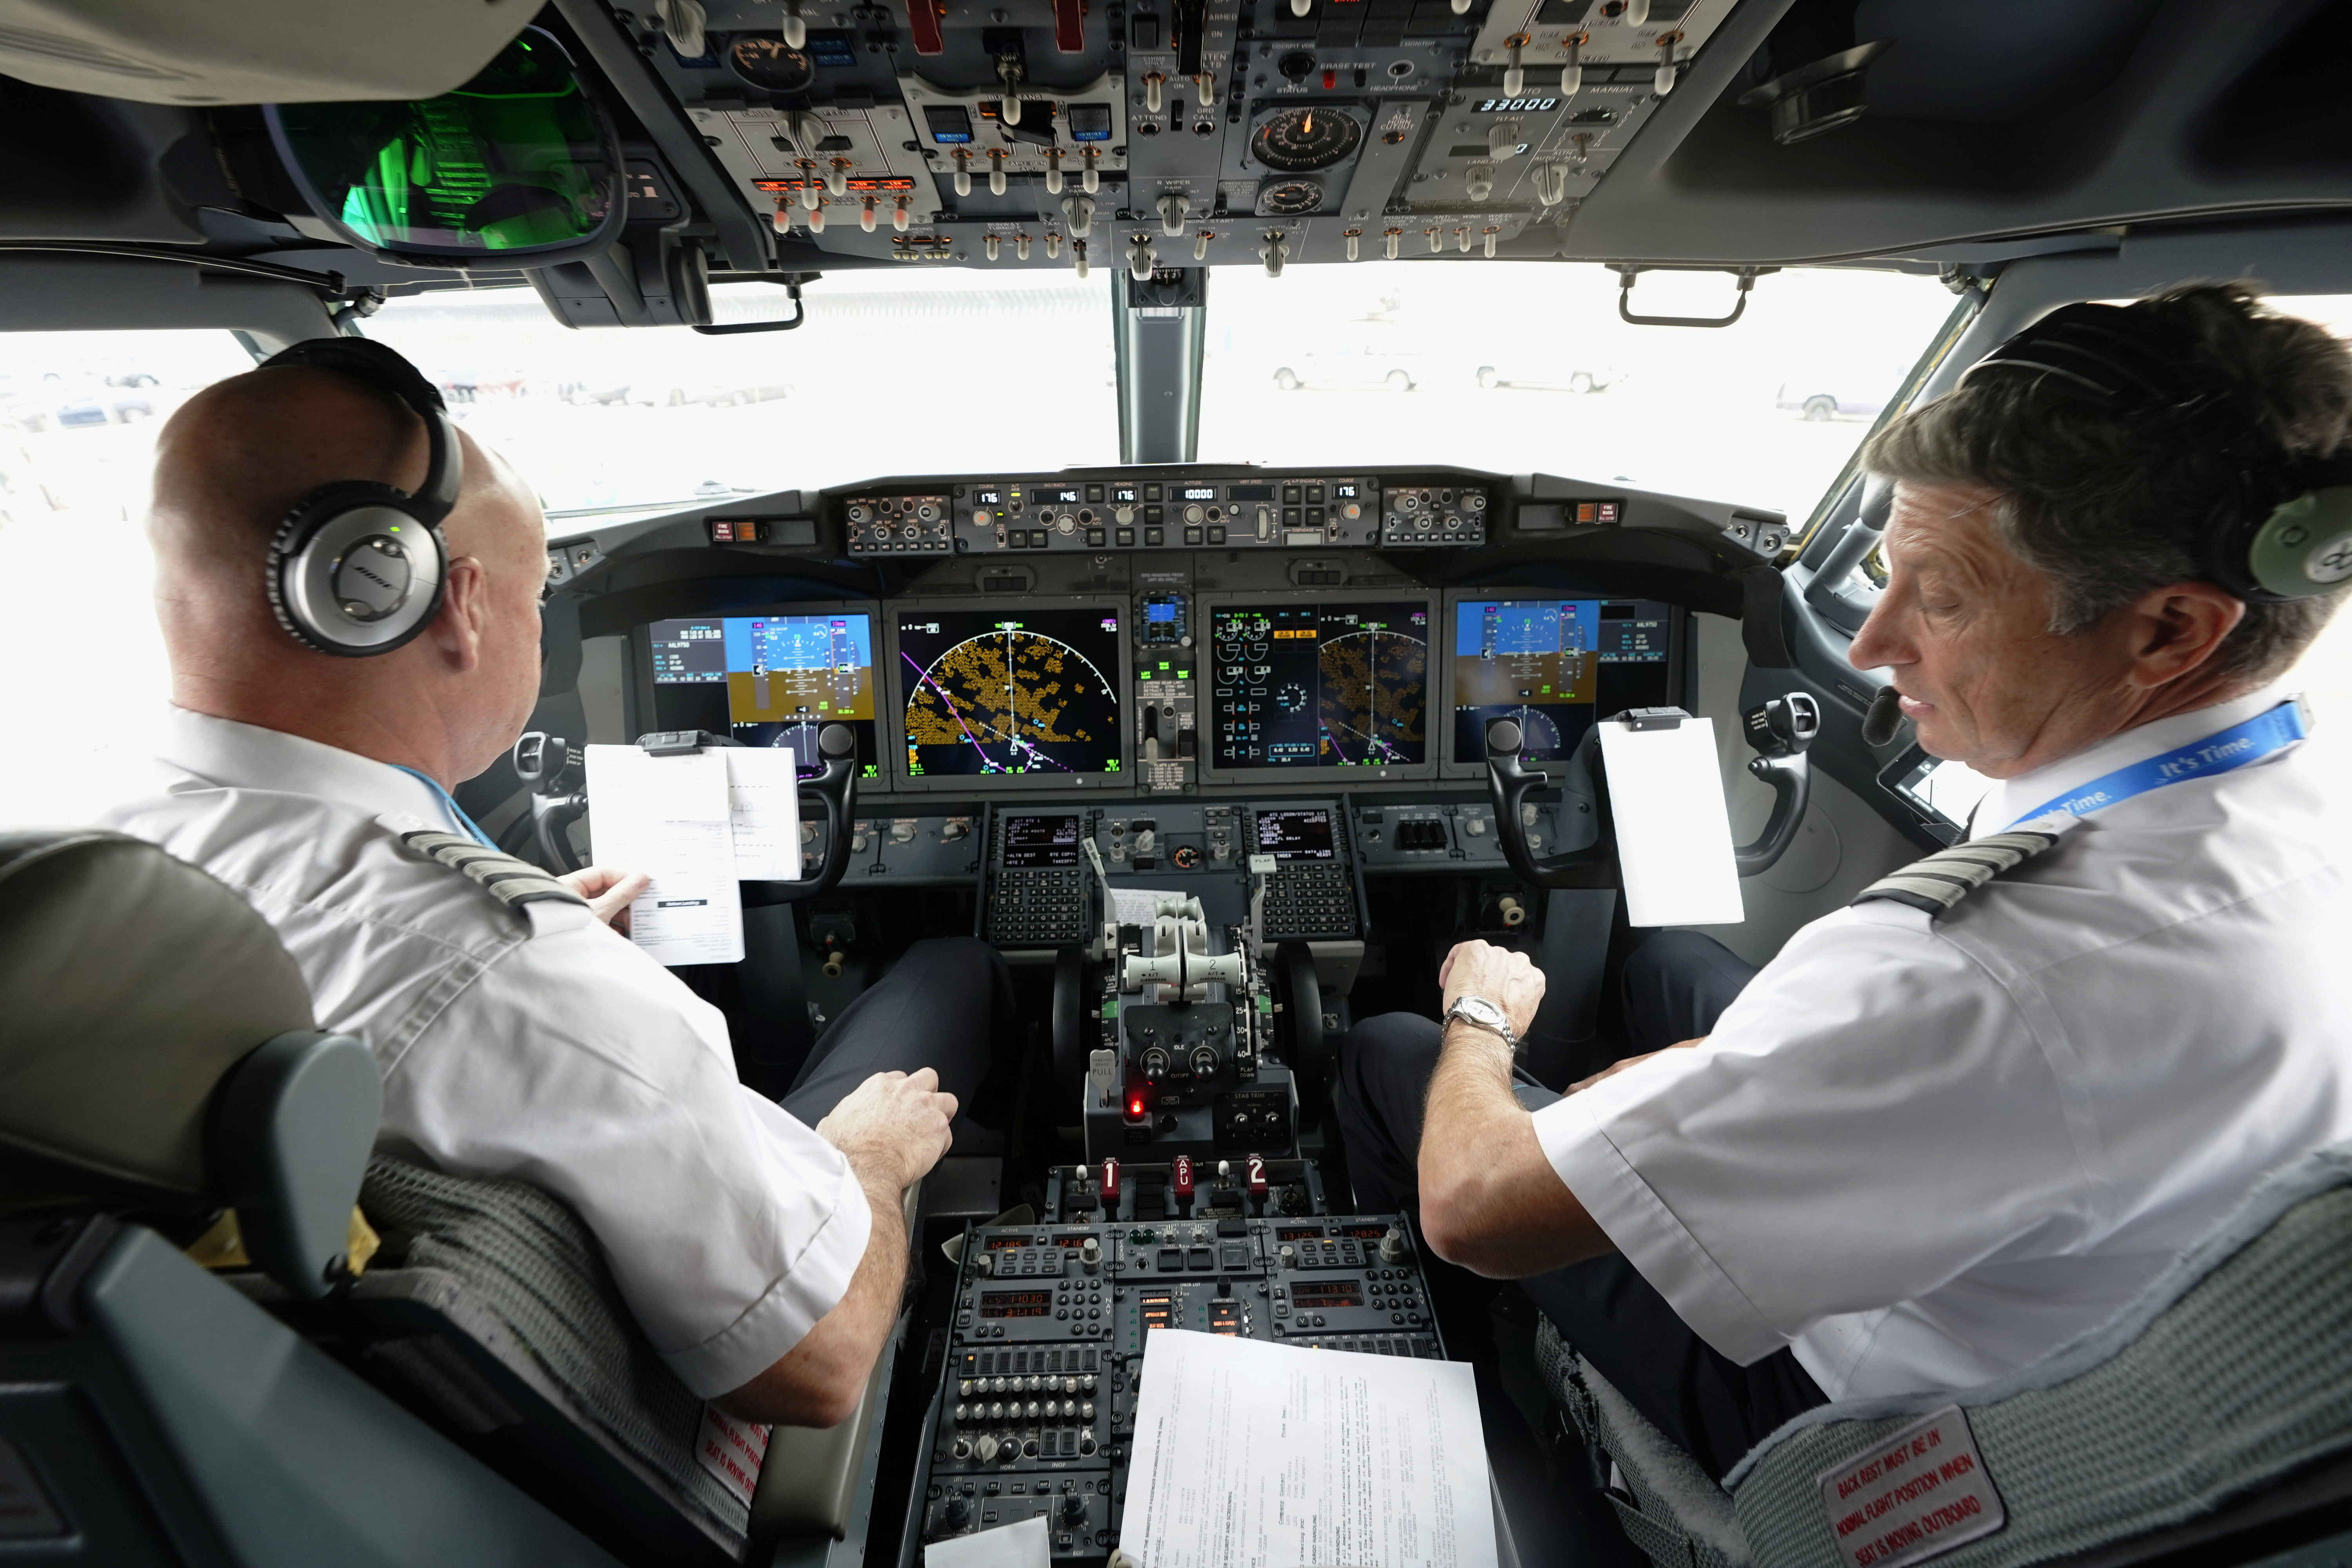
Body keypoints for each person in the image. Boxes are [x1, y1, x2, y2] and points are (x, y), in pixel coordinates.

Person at [1334, 281, 2352, 1480]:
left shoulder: (1983, 973)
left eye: (1949, 595)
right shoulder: (2299, 806)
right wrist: (1710, 1076)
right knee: (1671, 966)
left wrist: (1483, 1017)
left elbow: (1475, 1207)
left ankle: (1429, 1397)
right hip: (2075, 1308)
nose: (1874, 644)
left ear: (2171, 632)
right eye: (1887, 575)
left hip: (1856, 1409)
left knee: (1399, 1049)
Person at [97, 339, 1008, 1428]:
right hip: (680, 1431)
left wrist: (540, 947)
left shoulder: (83, 858)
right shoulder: (507, 972)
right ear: (457, 606)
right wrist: (873, 1159)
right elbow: (817, 1363)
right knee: (951, 969)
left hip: (312, 1411)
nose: (538, 633)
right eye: (538, 602)